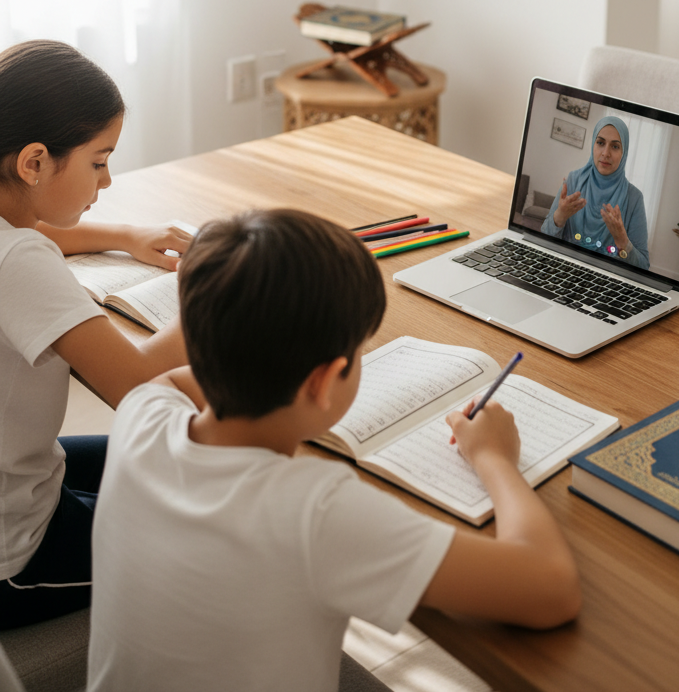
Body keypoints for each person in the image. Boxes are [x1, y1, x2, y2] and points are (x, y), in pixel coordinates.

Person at [86, 208, 581, 692]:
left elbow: (173, 380)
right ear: (322, 382)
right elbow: (551, 589)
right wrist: (494, 457)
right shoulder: (316, 512)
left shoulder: (143, 413)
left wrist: (243, 366)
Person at [0, 40, 191, 630]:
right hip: (14, 555)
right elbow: (139, 387)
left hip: (22, 476)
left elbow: (28, 235)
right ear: (34, 162)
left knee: (176, 459)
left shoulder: (15, 240)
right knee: (209, 535)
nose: (107, 180)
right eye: (99, 160)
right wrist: (220, 293)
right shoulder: (20, 261)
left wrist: (125, 234)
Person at [541, 116, 649, 269]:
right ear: (593, 144)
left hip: (607, 281)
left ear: (624, 153)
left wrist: (623, 241)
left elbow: (644, 266)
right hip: (564, 269)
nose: (605, 153)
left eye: (615, 146)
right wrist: (559, 216)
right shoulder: (573, 181)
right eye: (600, 143)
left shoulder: (634, 198)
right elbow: (543, 240)